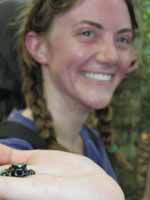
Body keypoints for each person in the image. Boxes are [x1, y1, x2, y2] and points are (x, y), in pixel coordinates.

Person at [0, 0, 138, 199]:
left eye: (123, 39)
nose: (112, 56)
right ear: (38, 47)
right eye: (87, 33)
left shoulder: (89, 139)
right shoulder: (13, 150)